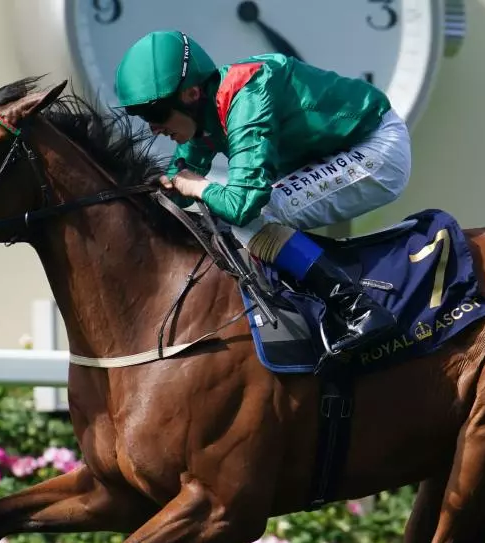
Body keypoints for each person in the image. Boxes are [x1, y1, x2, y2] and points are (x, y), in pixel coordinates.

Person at [114, 30, 413, 357]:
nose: (153, 128)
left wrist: (198, 186)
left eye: (156, 114)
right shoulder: (203, 114)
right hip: (340, 151)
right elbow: (176, 187)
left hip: (377, 149)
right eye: (143, 117)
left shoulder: (248, 98)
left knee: (254, 218)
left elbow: (242, 205)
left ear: (192, 93)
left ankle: (359, 309)